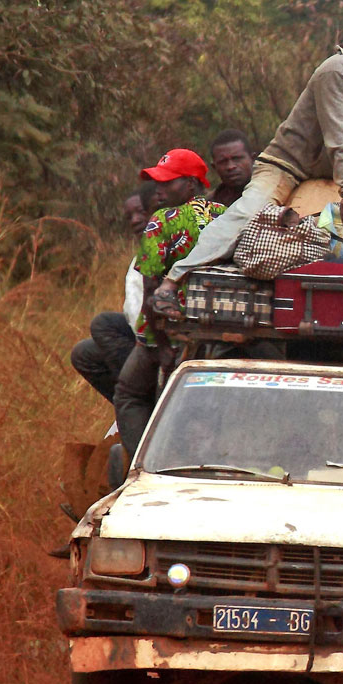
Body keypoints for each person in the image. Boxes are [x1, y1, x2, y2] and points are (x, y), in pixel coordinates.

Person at [150, 14, 343, 317]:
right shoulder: (336, 71)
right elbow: (338, 138)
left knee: (340, 236)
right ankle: (172, 283)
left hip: (326, 179)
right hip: (286, 166)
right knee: (247, 213)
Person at [113, 149, 226, 457]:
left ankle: (140, 464)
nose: (159, 191)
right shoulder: (225, 214)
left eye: (168, 183)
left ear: (191, 183)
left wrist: (161, 345)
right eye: (157, 183)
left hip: (167, 334)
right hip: (218, 330)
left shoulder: (161, 222)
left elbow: (151, 291)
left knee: (128, 394)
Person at [71, 187, 163, 404]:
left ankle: (138, 397)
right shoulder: (138, 258)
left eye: (141, 212)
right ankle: (137, 401)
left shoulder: (174, 245)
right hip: (142, 336)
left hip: (164, 341)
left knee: (103, 324)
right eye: (129, 217)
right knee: (85, 352)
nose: (135, 220)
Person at [208, 129, 254, 208]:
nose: (230, 166)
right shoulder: (208, 206)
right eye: (223, 161)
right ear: (214, 167)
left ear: (252, 159)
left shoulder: (274, 195)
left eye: (237, 159)